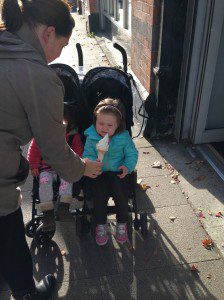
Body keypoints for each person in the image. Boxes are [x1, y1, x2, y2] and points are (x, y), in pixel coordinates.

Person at [0, 1, 102, 299]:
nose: (59, 54)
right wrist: (83, 167)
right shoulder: (38, 76)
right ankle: (26, 292)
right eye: (63, 44)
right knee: (9, 227)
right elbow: (54, 149)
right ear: (48, 33)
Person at [83, 98, 138, 246]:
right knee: (99, 198)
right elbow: (86, 155)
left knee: (121, 196)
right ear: (95, 121)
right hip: (99, 174)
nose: (104, 128)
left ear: (118, 125)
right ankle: (101, 224)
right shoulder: (91, 137)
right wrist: (90, 162)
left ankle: (122, 223)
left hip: (118, 173)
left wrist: (127, 166)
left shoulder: (123, 138)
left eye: (109, 125)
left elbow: (132, 154)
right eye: (101, 123)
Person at [27, 102, 84, 232]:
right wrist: (34, 165)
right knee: (44, 183)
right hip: (46, 168)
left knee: (67, 180)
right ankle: (47, 215)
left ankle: (63, 208)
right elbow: (34, 150)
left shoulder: (72, 137)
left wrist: (76, 164)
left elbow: (79, 153)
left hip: (65, 168)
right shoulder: (42, 135)